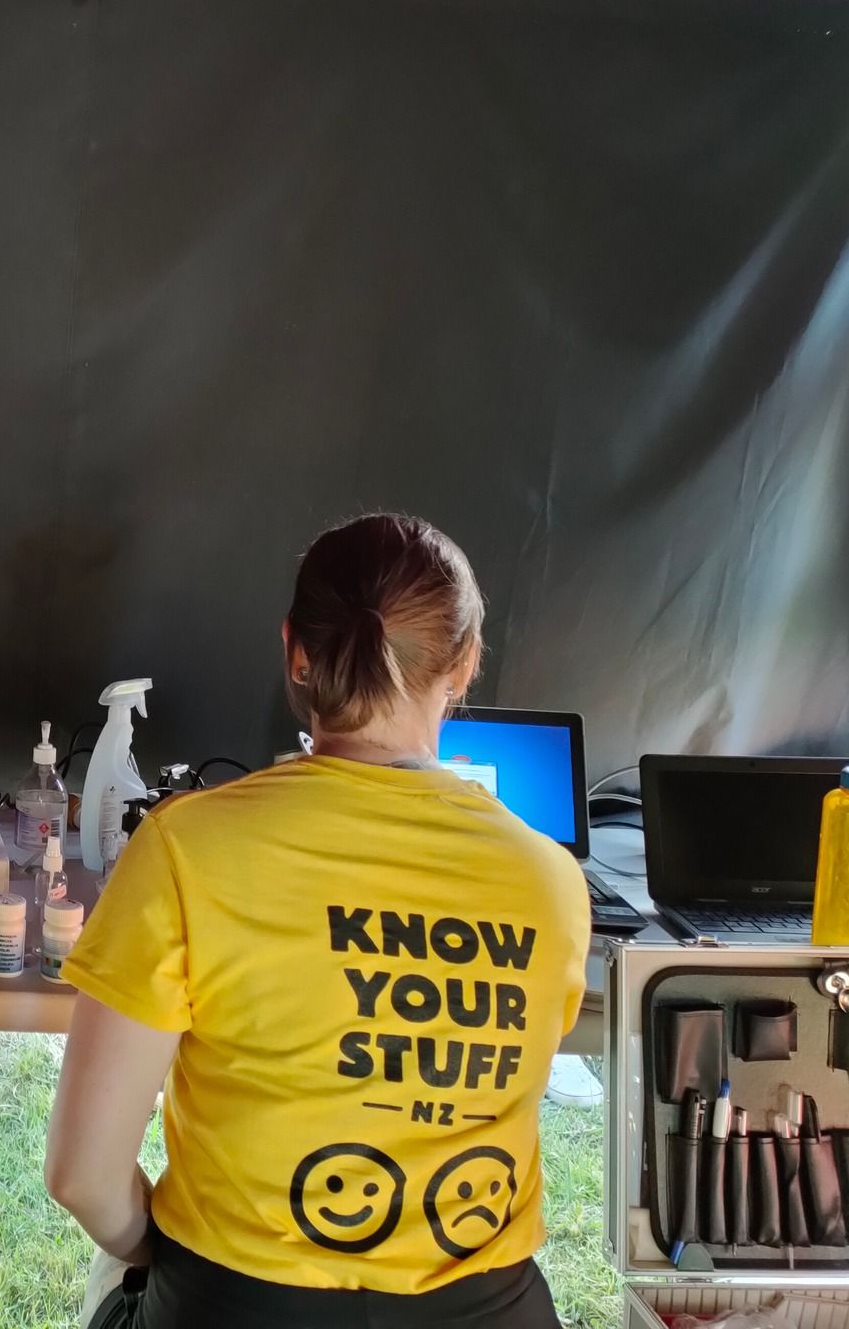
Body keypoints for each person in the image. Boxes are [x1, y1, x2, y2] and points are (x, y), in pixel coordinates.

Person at [46, 513, 589, 1329]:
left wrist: (159, 1253)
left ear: (296, 651)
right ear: (465, 664)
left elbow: (84, 1177)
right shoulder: (552, 881)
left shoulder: (186, 849)